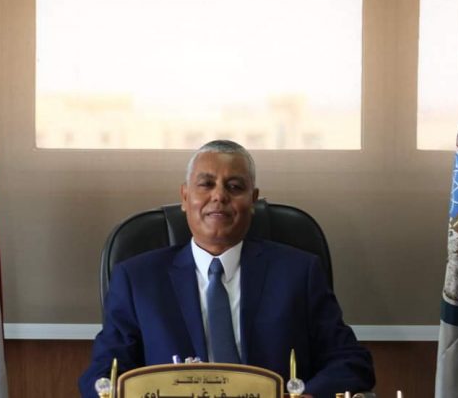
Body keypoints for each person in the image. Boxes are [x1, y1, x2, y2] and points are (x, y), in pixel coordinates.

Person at [79, 140, 375, 397]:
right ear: (185, 197)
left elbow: (350, 362)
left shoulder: (298, 273)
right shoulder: (137, 279)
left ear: (253, 200)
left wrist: (304, 397)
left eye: (234, 187)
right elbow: (102, 374)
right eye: (206, 184)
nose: (219, 196)